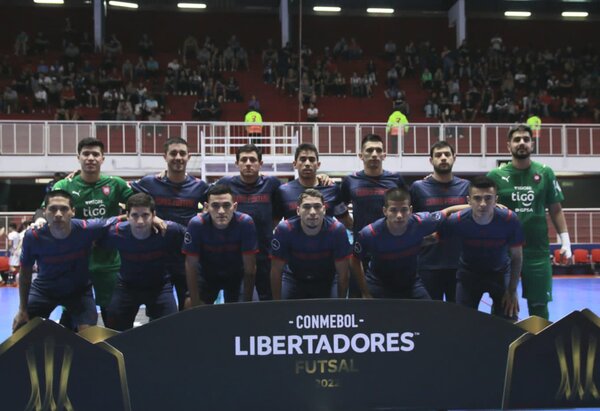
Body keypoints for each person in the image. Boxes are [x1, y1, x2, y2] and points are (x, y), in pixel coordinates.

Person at [487, 124, 572, 320]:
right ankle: (504, 347)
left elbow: (556, 209)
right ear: (508, 145)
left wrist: (565, 241)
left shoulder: (545, 173)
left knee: (539, 306)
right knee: (504, 306)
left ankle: (540, 347)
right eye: (517, 140)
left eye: (526, 139)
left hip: (537, 252)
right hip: (504, 253)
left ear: (532, 144)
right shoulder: (495, 176)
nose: (522, 143)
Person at [52, 138, 134, 324]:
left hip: (109, 262)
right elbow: (46, 208)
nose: (90, 158)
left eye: (95, 154)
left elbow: (141, 205)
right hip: (76, 262)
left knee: (113, 317)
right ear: (78, 157)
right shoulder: (65, 186)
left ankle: (116, 353)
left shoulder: (116, 184)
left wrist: (123, 218)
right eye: (86, 154)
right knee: (73, 318)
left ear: (102, 158)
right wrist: (39, 219)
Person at [12, 190, 112, 332]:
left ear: (73, 211)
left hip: (79, 291)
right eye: (53, 209)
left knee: (89, 337)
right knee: (20, 329)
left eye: (64, 209)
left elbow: (121, 219)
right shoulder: (33, 236)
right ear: (45, 212)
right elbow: (25, 273)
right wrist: (22, 309)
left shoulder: (87, 228)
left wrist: (155, 218)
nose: (58, 214)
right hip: (44, 289)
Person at [130, 137, 208, 310]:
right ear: (164, 156)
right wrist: (152, 217)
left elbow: (220, 198)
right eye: (173, 153)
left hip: (187, 257)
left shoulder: (200, 187)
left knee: (190, 306)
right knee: (158, 311)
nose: (178, 157)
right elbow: (124, 195)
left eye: (182, 153)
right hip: (157, 257)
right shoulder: (149, 183)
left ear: (189, 156)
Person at [352, 187, 464, 300]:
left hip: (411, 285)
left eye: (404, 210)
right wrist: (365, 292)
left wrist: (476, 208)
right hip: (378, 285)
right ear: (385, 211)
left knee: (430, 313)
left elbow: (448, 212)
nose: (399, 215)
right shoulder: (369, 234)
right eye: (393, 210)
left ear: (410, 210)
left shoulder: (422, 221)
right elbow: (355, 260)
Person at [440, 176, 524, 320]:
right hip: (469, 275)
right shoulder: (457, 220)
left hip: (500, 274)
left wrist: (512, 290)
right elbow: (431, 240)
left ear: (496, 200)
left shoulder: (509, 219)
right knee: (462, 323)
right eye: (477, 198)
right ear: (469, 201)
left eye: (488, 198)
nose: (483, 204)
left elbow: (517, 257)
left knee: (508, 321)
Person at [99, 194, 184, 331]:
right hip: (127, 286)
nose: (140, 221)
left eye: (145, 215)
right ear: (127, 215)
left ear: (154, 215)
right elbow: (90, 235)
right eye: (134, 215)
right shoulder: (114, 232)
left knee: (171, 329)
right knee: (114, 330)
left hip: (160, 287)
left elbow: (193, 240)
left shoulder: (169, 230)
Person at [341, 134, 406, 296]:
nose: (374, 154)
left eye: (378, 150)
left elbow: (407, 207)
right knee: (359, 301)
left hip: (392, 250)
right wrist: (349, 223)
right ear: (361, 155)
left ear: (384, 155)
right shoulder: (350, 181)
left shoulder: (396, 179)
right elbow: (337, 204)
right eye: (369, 150)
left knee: (391, 300)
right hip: (360, 251)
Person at [217, 144, 281, 301]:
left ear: (260, 163)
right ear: (237, 163)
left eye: (252, 160)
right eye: (243, 159)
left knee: (267, 301)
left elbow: (278, 214)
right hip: (233, 255)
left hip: (264, 253)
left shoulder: (272, 184)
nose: (248, 163)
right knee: (234, 302)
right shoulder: (225, 184)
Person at [410, 141, 470, 301]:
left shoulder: (466, 187)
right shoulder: (418, 187)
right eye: (438, 155)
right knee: (429, 319)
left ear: (454, 158)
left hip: (460, 265)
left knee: (458, 318)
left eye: (447, 154)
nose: (443, 158)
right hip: (427, 264)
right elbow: (411, 224)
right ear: (431, 160)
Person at [183, 184, 258, 306]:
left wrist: (247, 304)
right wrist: (195, 303)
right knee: (190, 304)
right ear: (207, 207)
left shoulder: (245, 223)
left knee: (248, 313)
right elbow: (191, 266)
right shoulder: (197, 224)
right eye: (215, 206)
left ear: (234, 207)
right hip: (207, 276)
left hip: (237, 276)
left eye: (226, 205)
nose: (221, 211)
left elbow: (250, 269)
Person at [271, 189, 351, 300]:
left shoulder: (337, 230)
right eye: (307, 207)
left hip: (328, 279)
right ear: (298, 211)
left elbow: (343, 273)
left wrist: (341, 305)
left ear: (324, 210)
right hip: (294, 278)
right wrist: (277, 304)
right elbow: (276, 270)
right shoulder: (285, 230)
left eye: (317, 207)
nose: (312, 212)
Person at [275, 143, 352, 229]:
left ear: (318, 164)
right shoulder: (283, 191)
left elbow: (347, 222)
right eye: (303, 159)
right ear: (295, 164)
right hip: (293, 242)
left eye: (311, 160)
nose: (307, 163)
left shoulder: (332, 189)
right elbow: (272, 224)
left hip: (325, 242)